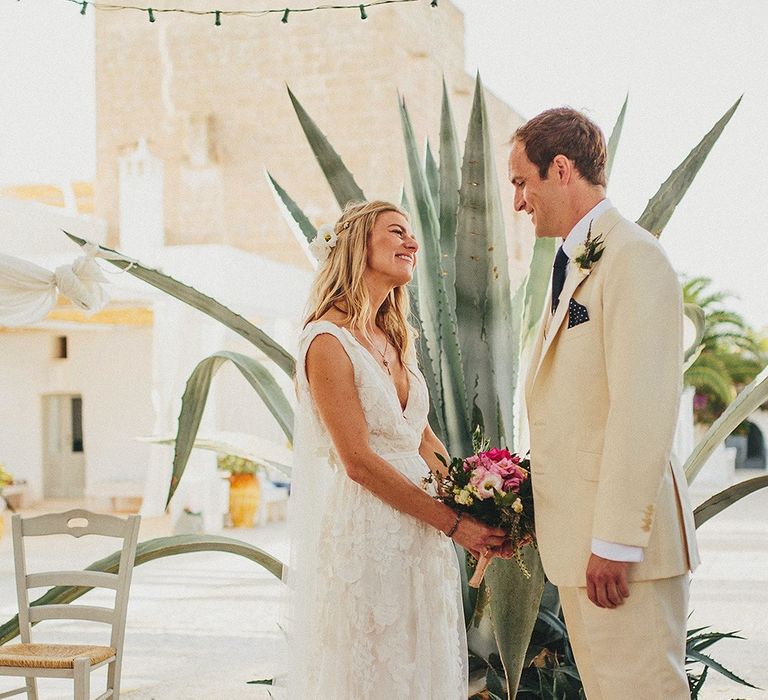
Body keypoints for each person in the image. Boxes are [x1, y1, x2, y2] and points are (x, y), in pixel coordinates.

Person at [509, 108, 700, 699]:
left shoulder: (634, 257)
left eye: (522, 182)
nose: (518, 202)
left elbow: (643, 410)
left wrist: (615, 542)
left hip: (620, 555)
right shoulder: (572, 262)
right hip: (583, 550)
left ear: (560, 169)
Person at [281, 199, 506, 699]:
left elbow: (422, 438)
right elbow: (357, 463)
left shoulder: (395, 336)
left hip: (422, 533)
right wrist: (453, 523)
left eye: (411, 234)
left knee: (421, 662)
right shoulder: (326, 341)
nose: (413, 243)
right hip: (370, 528)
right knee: (377, 668)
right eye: (397, 232)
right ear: (359, 245)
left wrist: (480, 501)